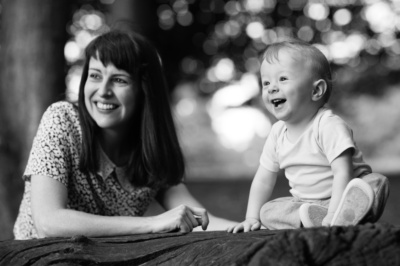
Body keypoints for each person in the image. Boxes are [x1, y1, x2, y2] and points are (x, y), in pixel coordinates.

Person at [13, 29, 233, 240]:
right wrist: (152, 224)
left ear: (143, 90)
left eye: (119, 80)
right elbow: (48, 222)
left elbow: (200, 220)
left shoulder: (150, 151)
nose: (103, 91)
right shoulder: (62, 120)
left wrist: (253, 226)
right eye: (95, 76)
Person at [227, 39, 389, 233]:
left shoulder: (328, 125)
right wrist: (251, 218)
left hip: (347, 191)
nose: (271, 88)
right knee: (268, 211)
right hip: (307, 202)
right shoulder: (277, 133)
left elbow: (342, 172)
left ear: (316, 90)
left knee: (375, 182)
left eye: (283, 79)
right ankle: (314, 217)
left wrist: (333, 211)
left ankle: (344, 213)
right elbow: (263, 179)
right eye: (266, 82)